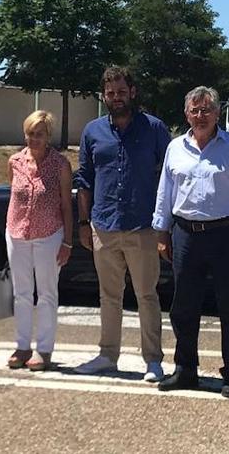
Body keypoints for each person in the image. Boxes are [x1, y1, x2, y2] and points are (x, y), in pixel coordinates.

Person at [152, 86, 229, 398]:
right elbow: (165, 192)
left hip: (227, 235)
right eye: (195, 110)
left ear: (218, 113)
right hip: (186, 234)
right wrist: (161, 232)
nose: (201, 116)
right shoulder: (176, 148)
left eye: (207, 110)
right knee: (183, 307)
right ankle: (185, 370)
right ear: (186, 113)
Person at [73, 66, 171, 381]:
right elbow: (84, 179)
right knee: (109, 295)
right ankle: (107, 356)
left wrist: (164, 225)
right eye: (110, 93)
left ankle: (153, 361)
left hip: (142, 227)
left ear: (133, 92)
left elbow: (169, 177)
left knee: (147, 295)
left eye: (121, 91)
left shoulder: (155, 129)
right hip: (103, 226)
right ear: (104, 96)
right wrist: (84, 222)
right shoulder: (92, 132)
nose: (116, 98)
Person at [5, 110, 73, 371]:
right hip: (17, 233)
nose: (34, 139)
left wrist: (67, 242)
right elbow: (13, 196)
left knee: (46, 294)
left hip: (49, 235)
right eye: (30, 134)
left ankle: (44, 350)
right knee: (21, 293)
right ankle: (22, 347)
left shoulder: (60, 165)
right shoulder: (15, 162)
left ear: (48, 137)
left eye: (39, 134)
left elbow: (66, 205)